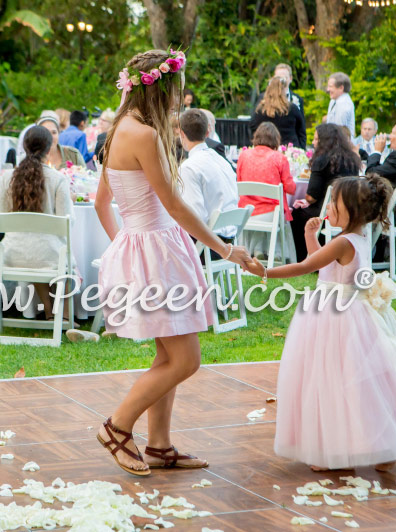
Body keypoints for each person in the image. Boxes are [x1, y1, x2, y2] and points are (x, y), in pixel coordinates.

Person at [94, 48, 251, 476]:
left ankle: (159, 446)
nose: (181, 98)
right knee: (186, 360)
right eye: (178, 89)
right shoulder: (142, 135)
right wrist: (226, 249)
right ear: (162, 88)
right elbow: (176, 206)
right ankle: (117, 426)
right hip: (158, 253)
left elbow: (100, 203)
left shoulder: (123, 128)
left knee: (167, 355)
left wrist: (123, 248)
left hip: (149, 251)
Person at [243, 175, 396, 472]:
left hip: (333, 317)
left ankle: (336, 450)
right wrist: (310, 238)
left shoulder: (342, 241)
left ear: (352, 211)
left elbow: (306, 267)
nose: (329, 207)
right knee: (363, 385)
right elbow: (322, 266)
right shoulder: (359, 236)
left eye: (335, 203)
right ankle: (383, 448)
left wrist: (264, 271)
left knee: (332, 382)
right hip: (350, 314)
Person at [0, 125, 84, 330]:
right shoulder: (57, 179)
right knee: (55, 251)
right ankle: (62, 316)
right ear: (48, 148)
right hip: (48, 256)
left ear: (24, 146)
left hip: (11, 255)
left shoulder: (6, 178)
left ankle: (49, 311)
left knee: (35, 246)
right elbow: (67, 222)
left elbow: (2, 215)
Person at [291, 123, 361, 261]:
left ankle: (303, 258)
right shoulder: (352, 159)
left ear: (324, 141)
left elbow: (311, 197)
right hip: (350, 210)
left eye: (316, 139)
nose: (313, 142)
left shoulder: (322, 160)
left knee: (297, 214)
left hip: (328, 213)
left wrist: (306, 200)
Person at [178, 109, 239, 261]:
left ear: (181, 134)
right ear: (207, 133)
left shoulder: (188, 167)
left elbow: (195, 217)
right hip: (230, 240)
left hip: (209, 247)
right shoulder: (222, 161)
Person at [236, 122, 296, 258]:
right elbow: (291, 189)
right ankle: (275, 252)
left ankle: (257, 251)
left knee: (259, 209)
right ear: (276, 139)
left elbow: (239, 183)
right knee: (272, 210)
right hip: (271, 214)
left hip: (247, 212)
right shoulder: (279, 158)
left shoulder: (243, 156)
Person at [250, 77, 306, 149]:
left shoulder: (260, 110)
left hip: (267, 149)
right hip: (289, 150)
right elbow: (301, 131)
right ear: (283, 91)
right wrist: (301, 149)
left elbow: (252, 128)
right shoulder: (292, 109)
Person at [325, 72, 355, 138]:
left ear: (341, 88)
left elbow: (339, 131)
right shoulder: (333, 101)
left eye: (330, 86)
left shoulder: (344, 105)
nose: (328, 89)